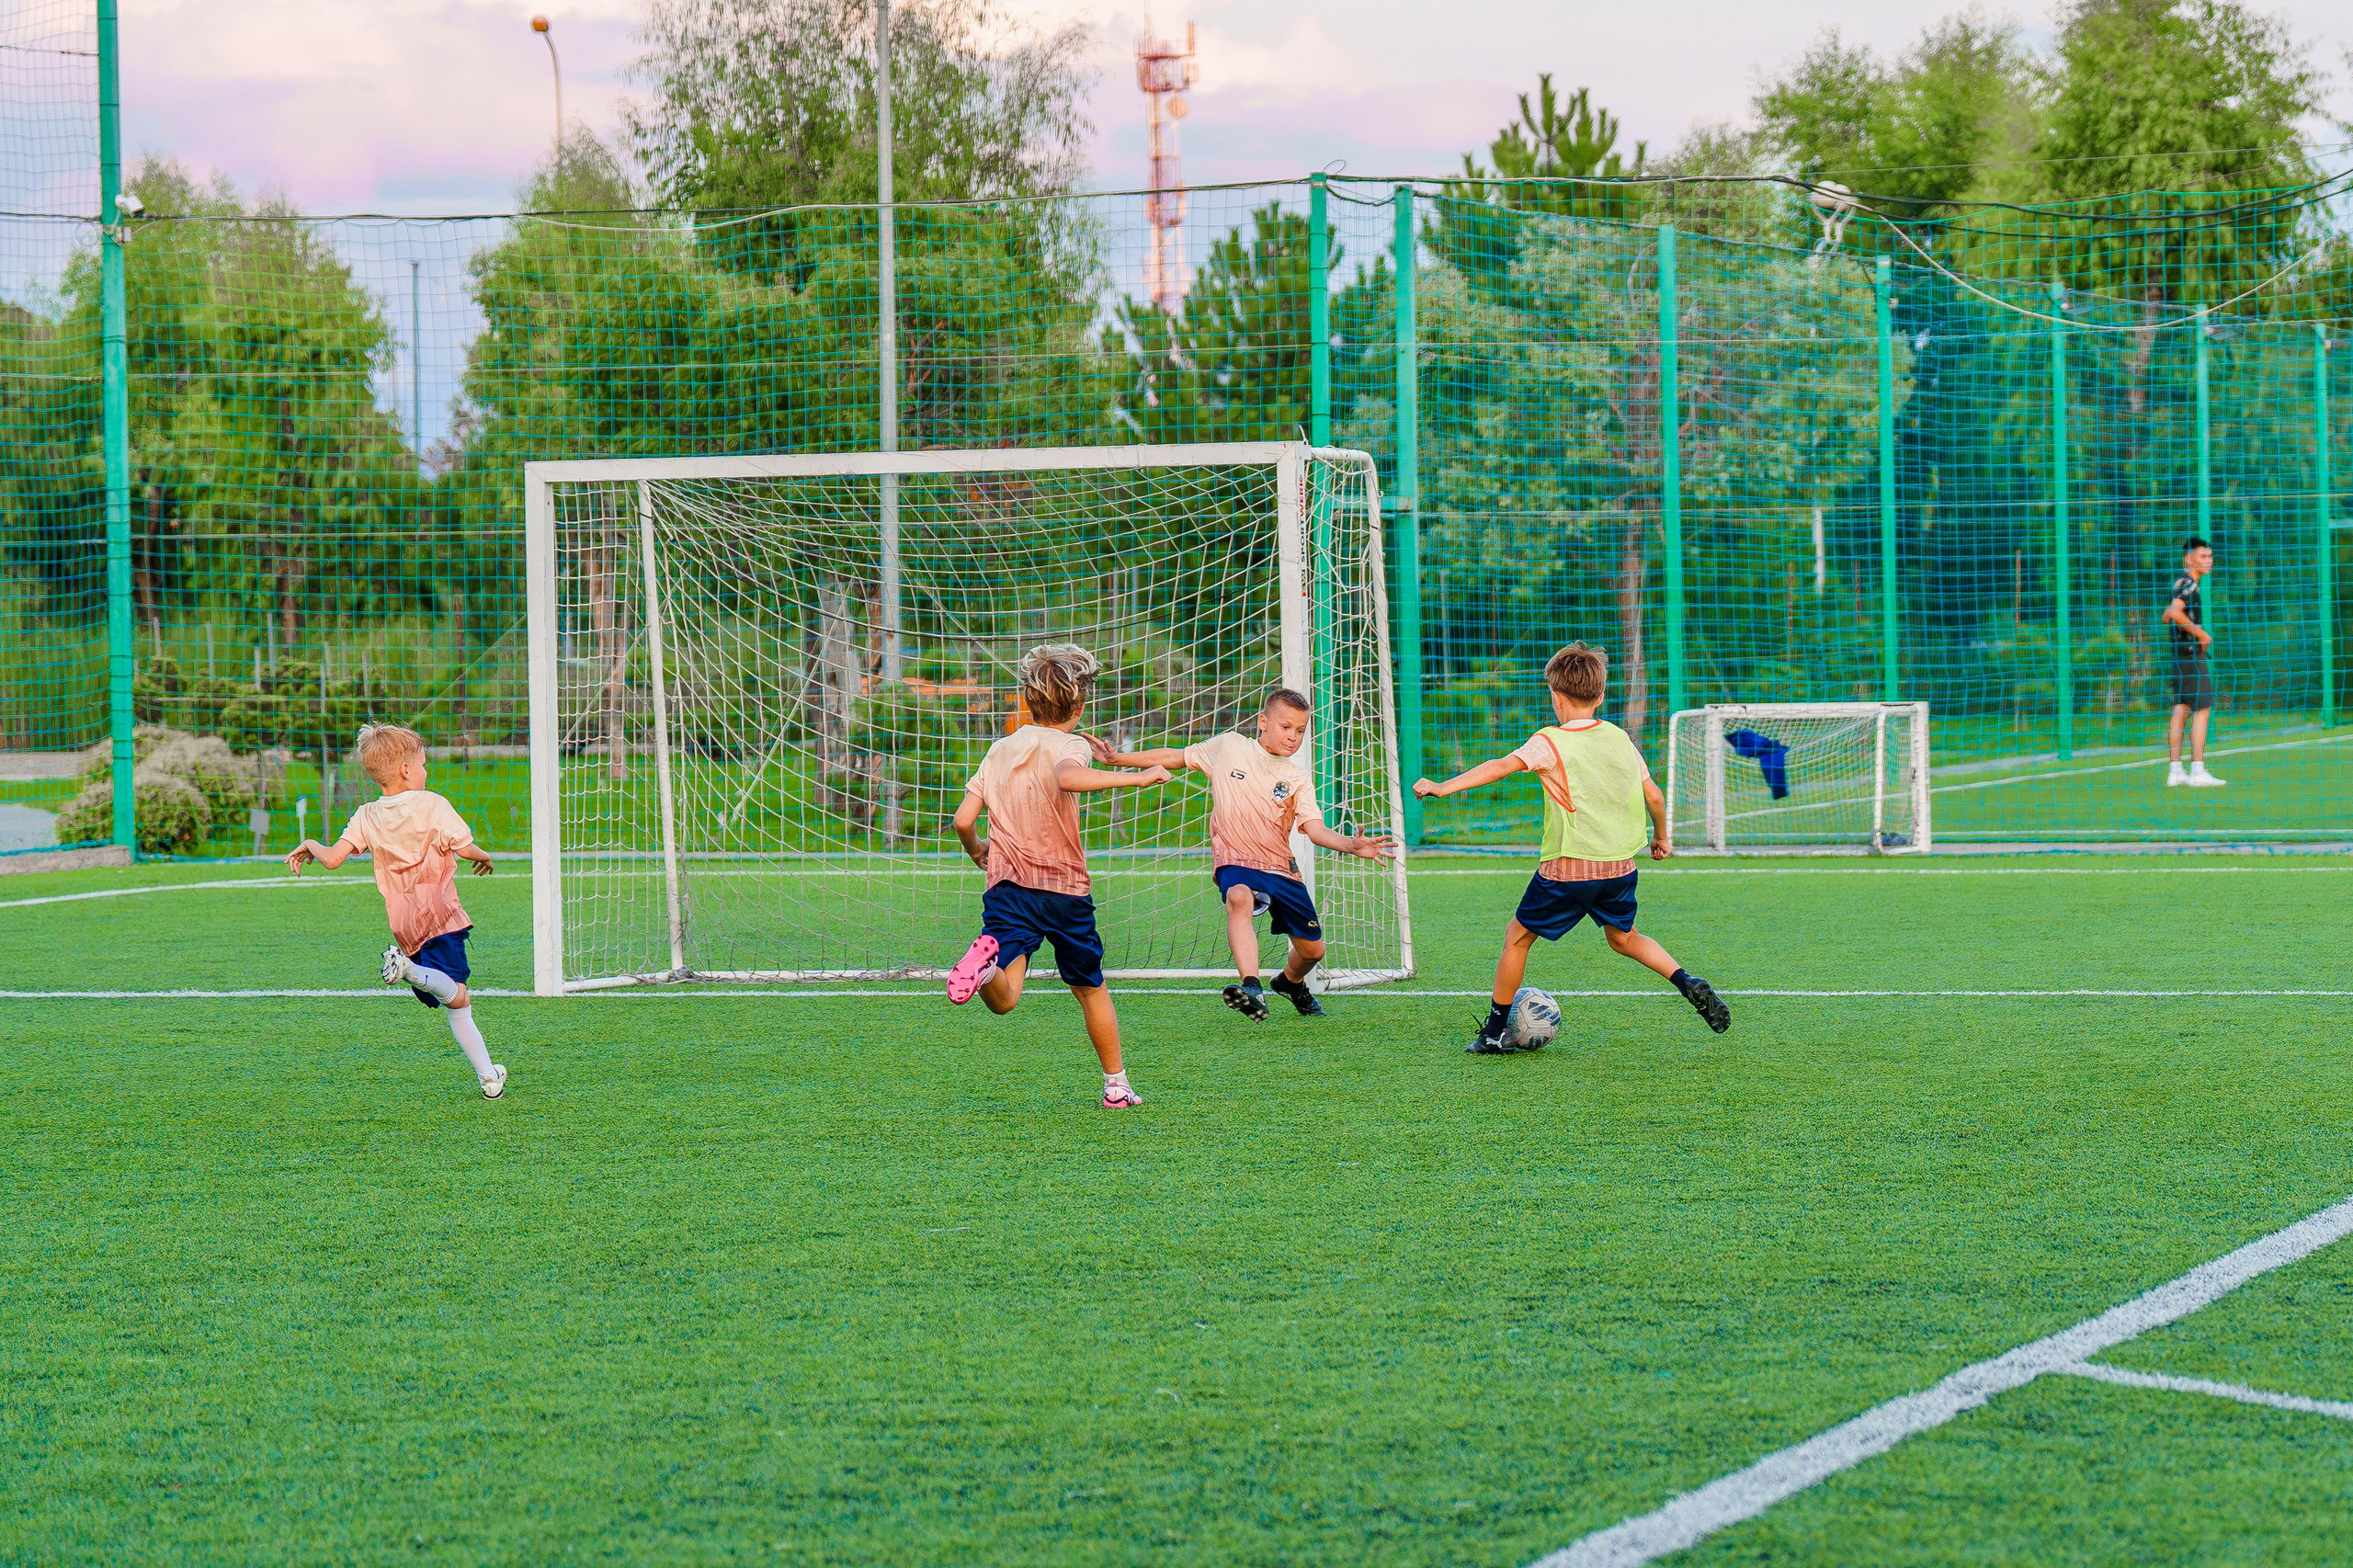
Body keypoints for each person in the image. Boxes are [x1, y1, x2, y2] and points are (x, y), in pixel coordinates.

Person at [1412, 641, 1730, 1054]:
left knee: (1517, 938)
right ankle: (1687, 982)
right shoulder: (1619, 737)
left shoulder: (1550, 740)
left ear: (1555, 696)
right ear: (1599, 696)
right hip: (1619, 867)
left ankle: (1492, 1033)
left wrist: (1443, 786)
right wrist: (1662, 837)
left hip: (1569, 870)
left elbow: (1500, 767)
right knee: (1624, 938)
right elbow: (1653, 796)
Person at [944, 643, 1174, 1108]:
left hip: (1008, 888)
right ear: (1081, 705)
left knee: (1007, 998)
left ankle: (985, 971)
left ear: (1029, 701)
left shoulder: (1001, 747)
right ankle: (1116, 1086)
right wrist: (1138, 777)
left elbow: (963, 820)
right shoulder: (1071, 745)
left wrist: (977, 853)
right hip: (1064, 892)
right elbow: (1068, 777)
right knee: (1091, 989)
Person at [1093, 687, 1397, 1021]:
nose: (1292, 737)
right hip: (1234, 859)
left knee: (1313, 949)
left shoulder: (1297, 778)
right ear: (1263, 722)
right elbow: (1176, 756)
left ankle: (1290, 982)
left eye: (1300, 731)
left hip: (1279, 867)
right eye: (1285, 727)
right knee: (1239, 898)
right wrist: (1117, 759)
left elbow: (1314, 829)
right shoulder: (1230, 746)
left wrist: (1351, 845)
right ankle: (1251, 987)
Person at [285, 722, 506, 1098]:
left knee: (450, 998)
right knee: (458, 998)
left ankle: (489, 1075)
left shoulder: (366, 815)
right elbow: (466, 848)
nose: (426, 772)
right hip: (440, 912)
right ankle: (410, 972)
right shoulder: (433, 803)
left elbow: (335, 859)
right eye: (422, 765)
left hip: (404, 924)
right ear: (406, 769)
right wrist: (485, 856)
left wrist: (311, 843)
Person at [2164, 536, 2224, 787]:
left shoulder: (2183, 583)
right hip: (2189, 654)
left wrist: (2175, 617)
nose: (2208, 561)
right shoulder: (2188, 582)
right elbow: (2175, 612)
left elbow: (2168, 614)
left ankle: (2176, 771)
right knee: (2203, 708)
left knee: (2182, 708)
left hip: (2179, 654)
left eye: (2209, 556)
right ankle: (2197, 770)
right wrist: (2201, 634)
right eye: (2202, 556)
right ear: (2188, 558)